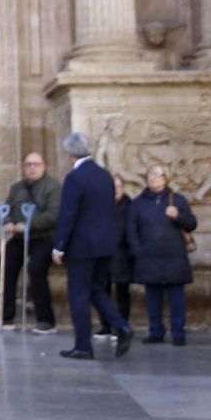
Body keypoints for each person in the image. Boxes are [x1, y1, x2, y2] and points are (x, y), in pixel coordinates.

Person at [51, 132, 132, 360]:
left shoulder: (75, 178)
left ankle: (83, 346)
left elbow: (68, 214)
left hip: (81, 246)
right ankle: (121, 326)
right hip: (105, 245)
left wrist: (59, 246)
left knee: (78, 295)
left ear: (69, 154)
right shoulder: (105, 175)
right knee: (96, 289)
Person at [127, 164, 197, 346]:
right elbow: (131, 230)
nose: (153, 178)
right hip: (149, 256)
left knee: (177, 297)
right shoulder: (137, 203)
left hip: (174, 256)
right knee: (152, 298)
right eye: (150, 174)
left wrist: (178, 216)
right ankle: (156, 331)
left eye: (157, 174)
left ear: (166, 178)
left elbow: (191, 224)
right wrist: (137, 250)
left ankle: (178, 333)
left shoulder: (178, 200)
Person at [0, 152, 60, 333]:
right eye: (28, 164)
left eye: (36, 164)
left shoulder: (53, 188)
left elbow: (54, 215)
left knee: (36, 269)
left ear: (44, 166)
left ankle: (46, 320)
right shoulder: (17, 188)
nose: (32, 168)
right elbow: (6, 209)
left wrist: (29, 224)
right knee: (3, 265)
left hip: (43, 237)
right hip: (19, 238)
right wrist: (7, 223)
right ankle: (5, 317)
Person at [98, 179, 134, 341]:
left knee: (122, 292)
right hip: (104, 255)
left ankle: (122, 325)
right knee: (103, 291)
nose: (116, 190)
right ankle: (105, 325)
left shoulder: (130, 207)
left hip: (122, 255)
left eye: (119, 187)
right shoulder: (100, 207)